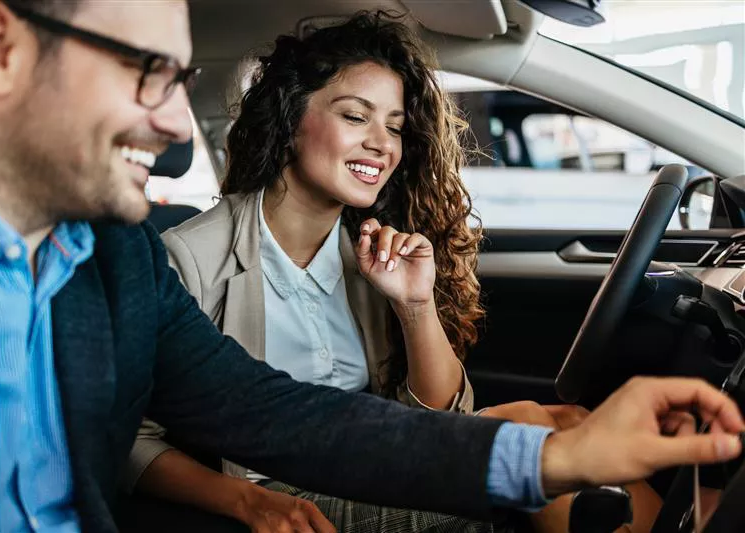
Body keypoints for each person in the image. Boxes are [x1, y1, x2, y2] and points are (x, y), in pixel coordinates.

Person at [0, 1, 742, 532]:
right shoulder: (168, 254)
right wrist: (245, 499)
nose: (176, 125)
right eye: (146, 71)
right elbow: (158, 444)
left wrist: (554, 454)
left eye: (181, 81)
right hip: (286, 493)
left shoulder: (111, 262)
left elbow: (285, 415)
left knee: (554, 426)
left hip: (355, 458)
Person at [125, 12, 665, 533]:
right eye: (355, 116)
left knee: (567, 421)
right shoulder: (188, 258)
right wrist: (248, 502)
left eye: (395, 126)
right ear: (290, 122)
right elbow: (131, 438)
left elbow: (436, 412)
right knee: (534, 440)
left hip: (374, 460)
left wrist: (414, 304)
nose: (382, 145)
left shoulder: (371, 249)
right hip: (278, 487)